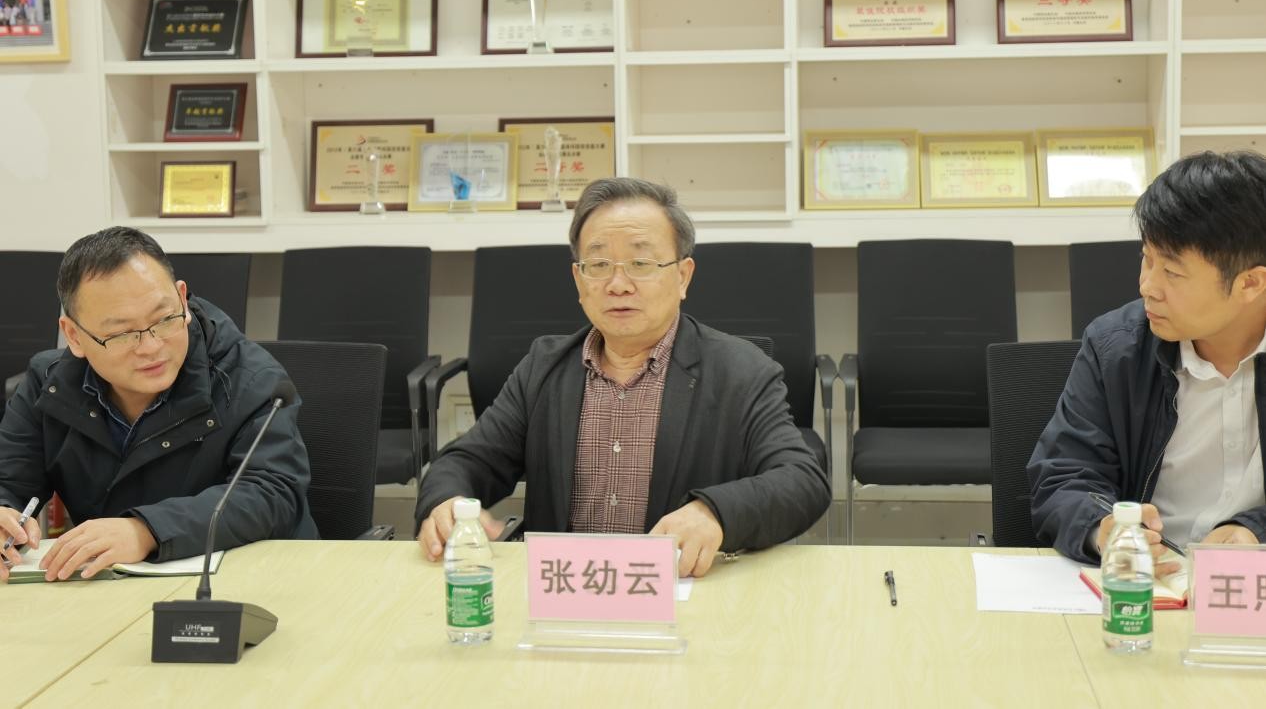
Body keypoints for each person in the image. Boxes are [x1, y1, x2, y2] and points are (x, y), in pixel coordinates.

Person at [416, 178, 830, 577]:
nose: (618, 284)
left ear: (682, 276)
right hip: (564, 591)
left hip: (682, 597)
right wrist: (446, 503)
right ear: (579, 280)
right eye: (598, 265)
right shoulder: (544, 368)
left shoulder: (741, 371)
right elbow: (466, 461)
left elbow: (802, 480)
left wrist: (715, 512)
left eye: (641, 264)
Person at [0, 227, 318, 582]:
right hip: (114, 586)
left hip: (254, 580)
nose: (151, 347)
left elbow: (273, 493)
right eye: (122, 334)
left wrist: (146, 530)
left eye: (164, 319)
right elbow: (9, 481)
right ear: (74, 335)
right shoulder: (48, 383)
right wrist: (3, 515)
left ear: (181, 299)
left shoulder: (250, 378)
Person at [1029, 151, 1266, 569]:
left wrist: (1254, 531)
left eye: (1172, 272)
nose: (1147, 286)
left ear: (1250, 283)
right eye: (1147, 258)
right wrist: (1103, 529)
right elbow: (1064, 475)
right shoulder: (1115, 348)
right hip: (1141, 582)